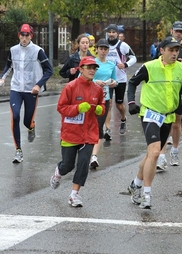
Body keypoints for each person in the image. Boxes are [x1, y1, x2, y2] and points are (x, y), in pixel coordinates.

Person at [126, 36, 182, 209]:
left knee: (150, 155)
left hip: (168, 116)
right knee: (155, 153)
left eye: (176, 50)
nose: (174, 53)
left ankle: (136, 184)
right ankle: (146, 195)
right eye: (171, 50)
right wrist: (132, 102)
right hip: (150, 113)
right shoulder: (149, 67)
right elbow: (132, 83)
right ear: (162, 51)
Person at [50, 56, 105, 207]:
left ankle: (74, 194)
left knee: (83, 163)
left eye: (94, 68)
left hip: (89, 133)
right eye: (89, 67)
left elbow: (102, 104)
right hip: (71, 133)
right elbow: (61, 108)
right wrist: (77, 108)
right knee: (68, 165)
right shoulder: (71, 87)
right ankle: (58, 172)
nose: (92, 70)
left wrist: (101, 109)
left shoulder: (97, 89)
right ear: (81, 69)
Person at [0, 24, 53, 163]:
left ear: (31, 36)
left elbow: (49, 70)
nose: (24, 38)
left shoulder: (38, 51)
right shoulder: (13, 50)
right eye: (22, 35)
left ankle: (31, 126)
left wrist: (38, 85)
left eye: (27, 35)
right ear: (19, 35)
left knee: (26, 121)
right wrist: (3, 77)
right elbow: (8, 65)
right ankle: (18, 151)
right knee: (15, 116)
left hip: (31, 90)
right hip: (16, 88)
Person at [156, 21, 182, 171]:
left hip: (179, 89)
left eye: (181, 31)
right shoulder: (163, 45)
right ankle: (161, 156)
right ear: (171, 30)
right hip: (164, 89)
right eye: (176, 31)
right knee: (164, 122)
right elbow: (155, 63)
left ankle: (174, 150)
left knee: (175, 122)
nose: (178, 33)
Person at [104, 24, 137, 139]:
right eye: (110, 32)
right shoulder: (104, 45)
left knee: (119, 105)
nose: (111, 34)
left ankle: (123, 118)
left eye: (114, 32)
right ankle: (107, 129)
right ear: (107, 33)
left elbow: (134, 58)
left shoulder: (123, 45)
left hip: (120, 79)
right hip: (108, 79)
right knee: (108, 104)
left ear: (117, 33)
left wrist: (125, 64)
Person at [90, 39, 118, 169]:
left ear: (108, 51)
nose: (103, 51)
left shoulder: (111, 65)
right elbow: (81, 77)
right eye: (101, 48)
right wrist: (95, 82)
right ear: (97, 49)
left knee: (99, 125)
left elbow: (115, 80)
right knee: (89, 124)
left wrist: (113, 83)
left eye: (105, 49)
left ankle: (94, 156)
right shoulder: (91, 62)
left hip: (104, 97)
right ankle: (85, 150)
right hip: (90, 97)